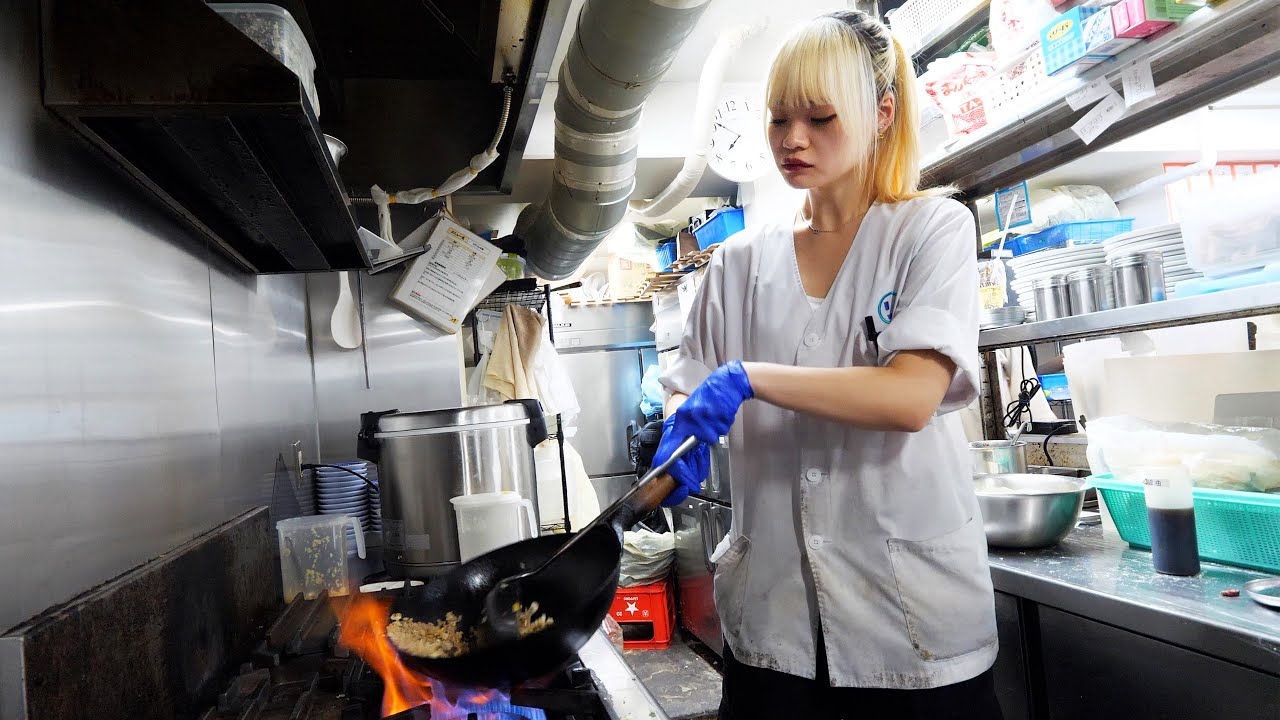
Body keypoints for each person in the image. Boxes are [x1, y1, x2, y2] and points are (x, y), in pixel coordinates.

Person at [653, 10, 1003, 720]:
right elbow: (688, 387)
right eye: (779, 118)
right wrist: (677, 435)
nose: (792, 139)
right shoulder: (737, 264)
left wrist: (748, 379)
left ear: (882, 113)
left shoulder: (930, 230)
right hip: (774, 623)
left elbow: (910, 396)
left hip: (910, 622)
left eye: (819, 118)